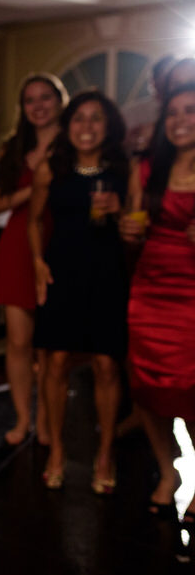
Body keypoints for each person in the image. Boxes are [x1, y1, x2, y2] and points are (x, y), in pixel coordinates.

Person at [29, 90, 129, 493]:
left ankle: (105, 453)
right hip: (62, 275)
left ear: (108, 126)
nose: (86, 127)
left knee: (106, 365)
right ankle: (57, 450)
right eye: (78, 119)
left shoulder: (124, 170)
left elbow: (140, 226)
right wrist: (37, 261)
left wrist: (121, 211)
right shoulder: (52, 169)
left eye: (96, 119)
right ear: (67, 126)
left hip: (107, 275)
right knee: (55, 362)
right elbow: (33, 221)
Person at [120, 82, 195, 524]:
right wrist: (126, 234)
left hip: (193, 292)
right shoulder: (148, 169)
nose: (180, 120)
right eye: (173, 113)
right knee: (147, 387)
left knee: (190, 386)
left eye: (190, 111)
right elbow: (134, 225)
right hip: (150, 287)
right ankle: (167, 474)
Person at [0, 73, 68, 446]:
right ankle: (23, 419)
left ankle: (49, 422)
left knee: (51, 347)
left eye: (45, 97)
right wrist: (35, 188)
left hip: (61, 241)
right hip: (18, 243)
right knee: (18, 343)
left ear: (59, 100)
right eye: (30, 99)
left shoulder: (72, 144)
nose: (38, 106)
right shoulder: (13, 148)